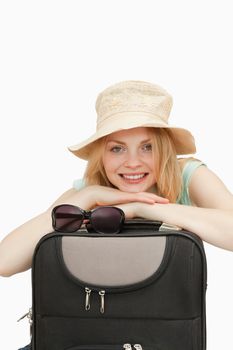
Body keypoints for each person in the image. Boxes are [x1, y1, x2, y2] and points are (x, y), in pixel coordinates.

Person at [1, 80, 233, 349]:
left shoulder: (188, 175)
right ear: (101, 154)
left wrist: (141, 207)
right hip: (83, 339)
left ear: (165, 149)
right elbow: (5, 262)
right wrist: (87, 197)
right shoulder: (87, 191)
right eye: (117, 148)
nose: (132, 162)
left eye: (148, 147)